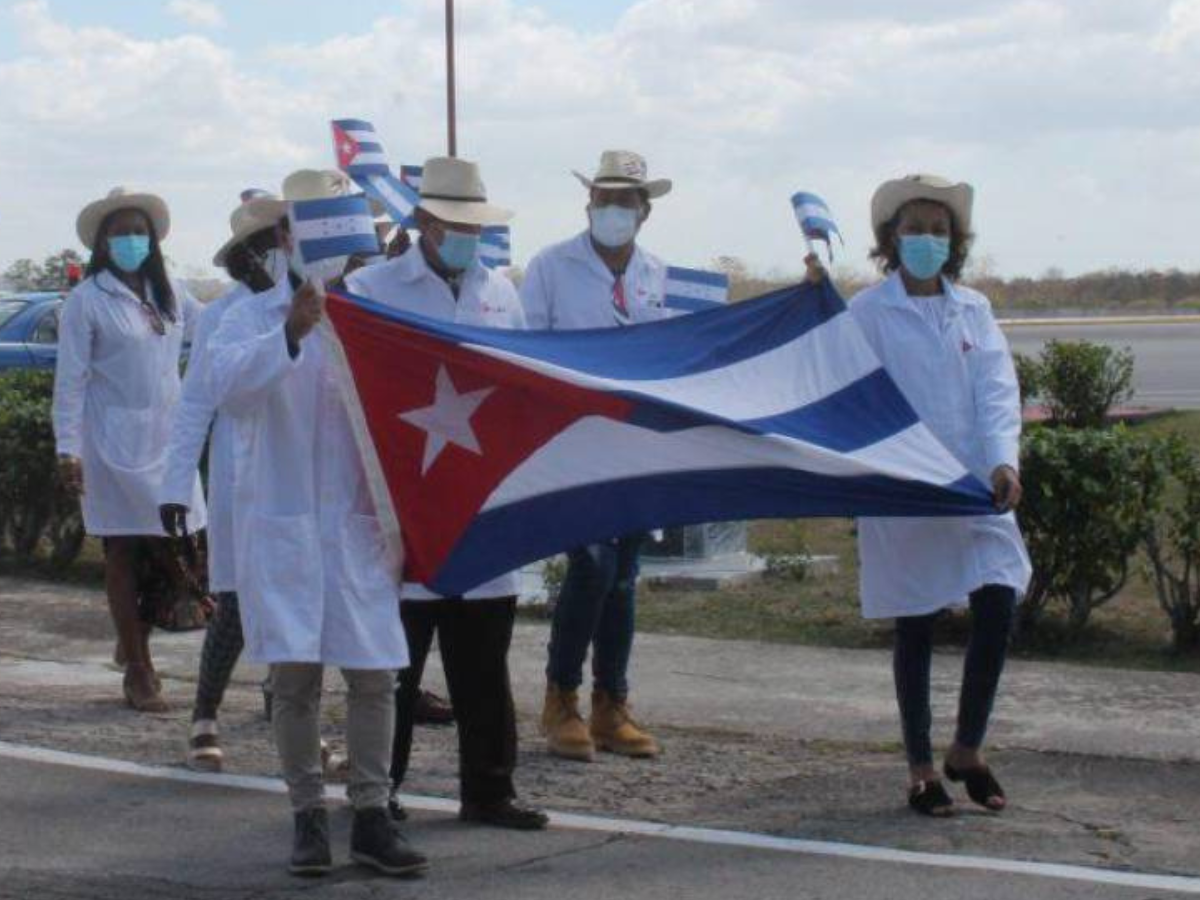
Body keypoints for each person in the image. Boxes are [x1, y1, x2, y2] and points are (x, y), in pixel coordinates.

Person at [207, 169, 427, 877]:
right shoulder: (247, 314)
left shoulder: (375, 315)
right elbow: (229, 392)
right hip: (286, 524)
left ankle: (370, 813)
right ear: (284, 237)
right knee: (295, 680)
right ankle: (307, 815)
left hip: (358, 528)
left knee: (374, 676)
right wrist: (291, 332)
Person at [346, 156, 547, 831]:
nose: (465, 236)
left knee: (483, 661)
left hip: (480, 495)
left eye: (474, 226)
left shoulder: (501, 291)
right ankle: (381, 787)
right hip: (405, 501)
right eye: (454, 225)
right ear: (425, 223)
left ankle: (489, 789)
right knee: (396, 663)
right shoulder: (373, 286)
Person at [833, 174, 1031, 816]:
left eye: (938, 230)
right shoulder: (867, 313)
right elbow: (839, 383)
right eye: (914, 229)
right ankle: (921, 768)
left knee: (999, 597)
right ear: (892, 239)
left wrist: (1003, 460)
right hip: (904, 485)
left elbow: (998, 390)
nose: (926, 240)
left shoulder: (973, 308)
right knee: (915, 619)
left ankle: (967, 747)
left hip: (973, 484)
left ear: (955, 241)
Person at [520, 150, 670, 762]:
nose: (614, 210)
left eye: (625, 201)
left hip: (633, 441)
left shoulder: (658, 273)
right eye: (604, 199)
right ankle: (562, 698)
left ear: (644, 211)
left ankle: (614, 703)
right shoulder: (551, 267)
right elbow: (524, 348)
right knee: (592, 567)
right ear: (588, 205)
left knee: (626, 579)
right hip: (572, 437)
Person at [53, 186, 207, 713]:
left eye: (139, 232)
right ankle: (139, 670)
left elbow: (215, 327)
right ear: (102, 242)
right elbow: (70, 380)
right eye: (120, 234)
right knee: (123, 548)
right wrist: (66, 447)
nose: (132, 241)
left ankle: (132, 633)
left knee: (175, 546)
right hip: (110, 442)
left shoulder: (171, 290)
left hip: (170, 438)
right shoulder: (87, 300)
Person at [158, 190, 288, 771]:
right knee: (236, 604)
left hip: (299, 478)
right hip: (243, 477)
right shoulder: (222, 317)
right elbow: (195, 406)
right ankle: (205, 716)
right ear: (254, 253)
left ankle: (295, 723)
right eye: (277, 240)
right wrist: (175, 485)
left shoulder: (313, 304)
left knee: (295, 601)